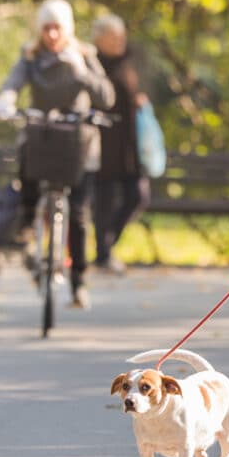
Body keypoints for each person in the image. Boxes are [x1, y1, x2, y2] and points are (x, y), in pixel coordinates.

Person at [0, 0, 115, 309]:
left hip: (79, 144)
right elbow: (12, 83)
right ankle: (26, 239)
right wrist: (5, 102)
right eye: (46, 28)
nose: (51, 35)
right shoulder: (31, 57)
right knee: (29, 187)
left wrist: (81, 72)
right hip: (42, 138)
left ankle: (79, 283)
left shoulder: (85, 55)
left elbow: (107, 97)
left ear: (67, 28)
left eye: (57, 27)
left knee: (77, 213)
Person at [90, 14, 150, 275]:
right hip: (102, 145)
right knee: (102, 201)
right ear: (99, 38)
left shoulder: (126, 62)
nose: (120, 41)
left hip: (128, 146)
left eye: (122, 36)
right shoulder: (92, 64)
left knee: (138, 195)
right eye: (114, 37)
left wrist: (138, 100)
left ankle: (105, 245)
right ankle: (103, 254)